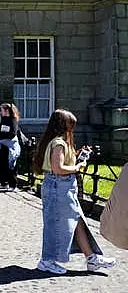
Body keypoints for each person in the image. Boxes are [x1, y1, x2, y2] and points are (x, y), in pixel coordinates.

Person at [31, 109, 116, 274]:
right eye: (71, 125)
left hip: (60, 187)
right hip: (59, 186)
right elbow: (58, 168)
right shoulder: (59, 143)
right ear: (64, 125)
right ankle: (47, 260)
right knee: (56, 224)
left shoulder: (55, 142)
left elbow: (57, 165)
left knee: (77, 222)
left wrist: (78, 156)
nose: (72, 129)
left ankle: (91, 257)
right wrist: (77, 166)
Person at [0, 103, 21, 191]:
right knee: (1, 165)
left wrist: (0, 134)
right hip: (1, 145)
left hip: (9, 146)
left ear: (6, 111)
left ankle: (13, 185)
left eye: (2, 110)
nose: (0, 112)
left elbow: (12, 134)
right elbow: (2, 131)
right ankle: (3, 183)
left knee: (11, 165)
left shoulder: (13, 120)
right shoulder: (3, 119)